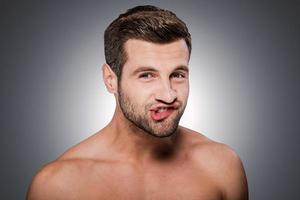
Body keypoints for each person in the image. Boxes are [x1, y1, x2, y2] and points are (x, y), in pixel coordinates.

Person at [27, 5, 248, 200]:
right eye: (146, 75)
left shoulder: (222, 166)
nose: (168, 95)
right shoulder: (58, 186)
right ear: (110, 80)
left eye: (177, 74)